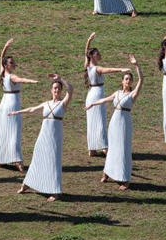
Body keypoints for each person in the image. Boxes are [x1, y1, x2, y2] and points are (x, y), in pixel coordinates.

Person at [11, 74, 73, 202]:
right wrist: (17, 112)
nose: (56, 90)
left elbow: (71, 89)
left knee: (53, 161)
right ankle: (27, 183)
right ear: (51, 90)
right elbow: (32, 110)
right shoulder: (46, 104)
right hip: (43, 135)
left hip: (55, 137)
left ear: (61, 91)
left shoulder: (63, 104)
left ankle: (54, 191)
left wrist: (61, 79)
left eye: (58, 88)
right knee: (37, 158)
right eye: (54, 88)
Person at [85, 55, 142, 189]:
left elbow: (142, 80)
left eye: (130, 79)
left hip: (125, 123)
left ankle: (125, 179)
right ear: (122, 81)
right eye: (126, 79)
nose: (128, 81)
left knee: (123, 149)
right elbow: (104, 100)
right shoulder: (117, 93)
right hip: (114, 122)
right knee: (112, 149)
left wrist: (136, 65)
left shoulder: (132, 94)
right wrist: (92, 104)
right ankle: (107, 172)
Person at [82, 32, 131, 157]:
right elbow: (108, 70)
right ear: (92, 56)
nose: (99, 55)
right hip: (97, 94)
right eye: (97, 54)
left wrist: (89, 40)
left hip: (91, 95)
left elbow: (85, 52)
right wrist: (121, 69)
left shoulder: (87, 65)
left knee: (92, 121)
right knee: (100, 121)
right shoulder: (97, 68)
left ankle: (92, 149)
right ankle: (104, 147)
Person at [0, 38, 39, 172]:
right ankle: (16, 159)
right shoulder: (11, 77)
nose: (14, 64)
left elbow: (1, 58)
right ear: (7, 65)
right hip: (12, 103)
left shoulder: (2, 73)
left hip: (4, 103)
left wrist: (5, 47)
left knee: (3, 131)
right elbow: (21, 79)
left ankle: (0, 158)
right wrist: (33, 81)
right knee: (14, 131)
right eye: (11, 63)